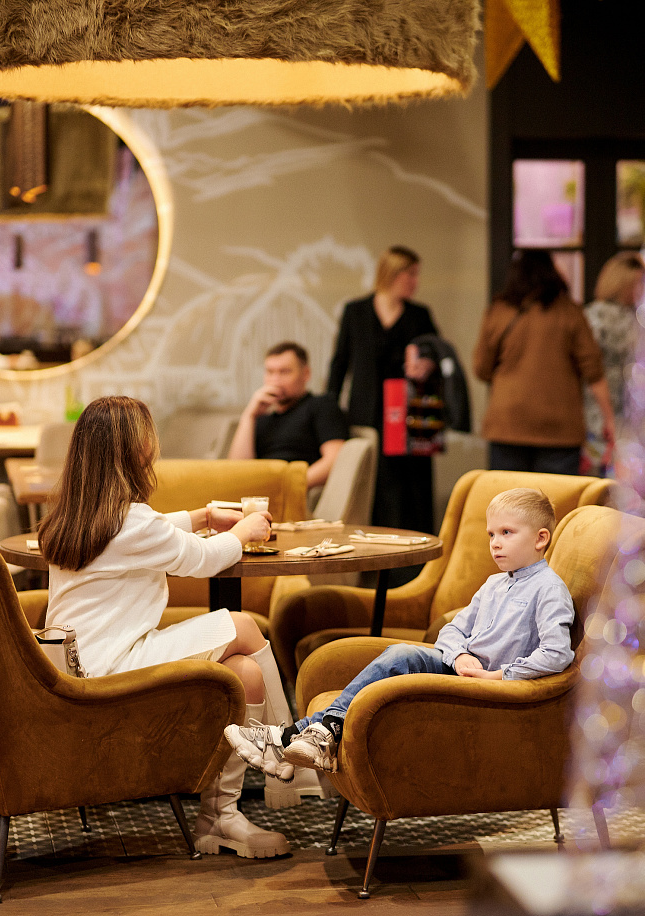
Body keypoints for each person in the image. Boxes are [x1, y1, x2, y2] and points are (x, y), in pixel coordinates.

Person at [39, 396, 295, 860]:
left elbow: (146, 530)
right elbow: (203, 558)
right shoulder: (130, 522)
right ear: (132, 451)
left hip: (78, 665)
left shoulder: (75, 516)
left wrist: (202, 517)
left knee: (246, 673)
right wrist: (243, 532)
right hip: (114, 668)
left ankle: (220, 817)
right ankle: (290, 754)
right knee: (242, 625)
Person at [224, 488, 575, 775]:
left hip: (490, 689)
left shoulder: (548, 589)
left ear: (541, 539)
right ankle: (309, 734)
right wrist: (460, 654)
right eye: (491, 534)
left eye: (506, 533)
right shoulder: (494, 584)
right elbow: (453, 630)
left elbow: (557, 654)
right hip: (460, 669)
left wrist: (499, 676)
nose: (495, 543)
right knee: (399, 657)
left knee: (401, 655)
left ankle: (296, 735)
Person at [326, 245, 439, 531]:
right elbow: (339, 364)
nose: (415, 282)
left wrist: (426, 365)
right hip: (368, 415)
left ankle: (416, 548)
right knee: (371, 485)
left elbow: (437, 358)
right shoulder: (356, 312)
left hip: (410, 418)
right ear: (392, 274)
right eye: (410, 274)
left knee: (412, 490)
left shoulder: (420, 315)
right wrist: (330, 410)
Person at [473, 249, 615, 475]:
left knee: (510, 495)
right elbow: (594, 371)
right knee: (556, 495)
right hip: (560, 429)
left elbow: (481, 368)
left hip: (507, 423)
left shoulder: (499, 311)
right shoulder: (570, 312)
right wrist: (609, 418)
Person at [228, 341, 348, 490]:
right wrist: (249, 416)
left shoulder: (321, 405)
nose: (275, 380)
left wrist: (289, 487)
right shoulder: (261, 419)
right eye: (270, 372)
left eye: (284, 372)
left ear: (306, 374)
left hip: (294, 489)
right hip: (258, 491)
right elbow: (237, 471)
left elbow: (335, 459)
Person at [582, 251, 645, 476]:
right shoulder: (594, 317)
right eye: (638, 283)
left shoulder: (638, 317)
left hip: (631, 415)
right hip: (597, 414)